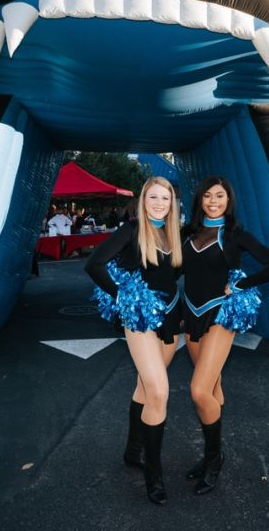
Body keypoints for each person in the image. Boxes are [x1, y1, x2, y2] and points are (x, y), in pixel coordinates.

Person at [180, 176, 269, 496]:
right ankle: (211, 454)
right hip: (190, 317)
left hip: (219, 317)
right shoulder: (188, 232)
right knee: (212, 387)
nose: (213, 201)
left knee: (198, 390)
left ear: (229, 201)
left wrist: (240, 284)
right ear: (199, 200)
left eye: (220, 196)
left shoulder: (236, 235)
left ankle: (214, 461)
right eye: (208, 195)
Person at [85, 177, 184, 505]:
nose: (159, 203)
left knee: (145, 387)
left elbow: (175, 276)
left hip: (170, 319)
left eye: (165, 198)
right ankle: (153, 476)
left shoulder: (174, 234)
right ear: (143, 200)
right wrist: (124, 296)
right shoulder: (131, 230)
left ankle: (132, 452)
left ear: (172, 203)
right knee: (159, 391)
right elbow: (94, 264)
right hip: (140, 320)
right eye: (153, 197)